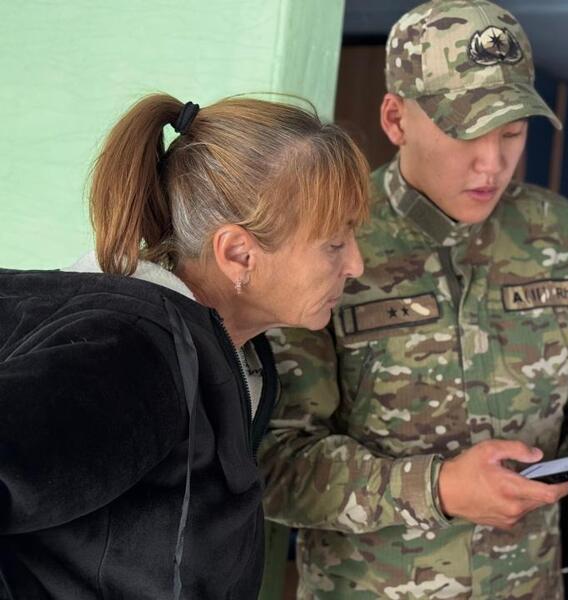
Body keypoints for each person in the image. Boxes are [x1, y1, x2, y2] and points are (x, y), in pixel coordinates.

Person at [260, 1, 568, 598]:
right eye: (465, 132)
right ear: (396, 119)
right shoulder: (326, 240)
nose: (492, 164)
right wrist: (437, 488)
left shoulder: (565, 238)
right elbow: (276, 463)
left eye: (511, 132)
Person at [0, 93, 369, 599]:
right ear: (238, 254)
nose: (356, 265)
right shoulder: (132, 358)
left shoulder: (224, 351)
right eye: (334, 244)